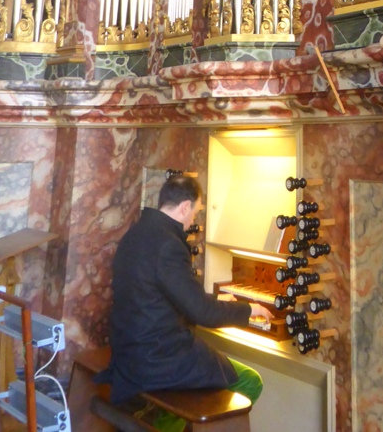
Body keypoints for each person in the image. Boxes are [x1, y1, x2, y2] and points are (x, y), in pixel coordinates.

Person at [107, 174, 272, 431]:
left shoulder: (136, 234)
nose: (193, 220)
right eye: (195, 212)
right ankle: (162, 424)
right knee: (250, 381)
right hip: (157, 358)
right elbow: (202, 313)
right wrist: (249, 310)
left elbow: (165, 292)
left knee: (205, 375)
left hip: (130, 349)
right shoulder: (168, 244)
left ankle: (161, 419)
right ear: (184, 207)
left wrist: (214, 298)